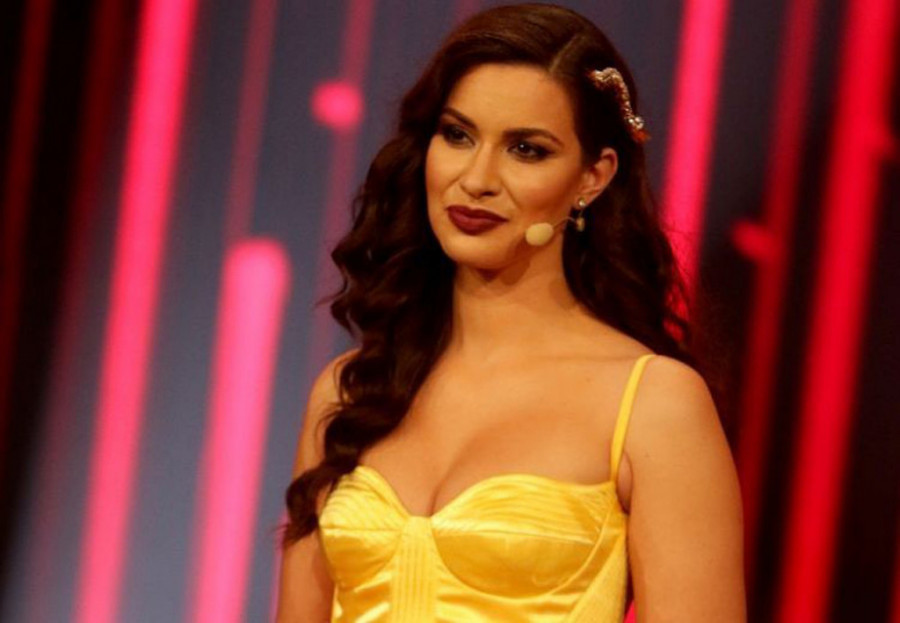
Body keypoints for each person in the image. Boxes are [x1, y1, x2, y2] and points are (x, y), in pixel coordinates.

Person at [276, 3, 746, 621]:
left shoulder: (653, 404)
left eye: (526, 149)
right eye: (458, 135)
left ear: (593, 177)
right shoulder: (350, 390)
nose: (477, 178)